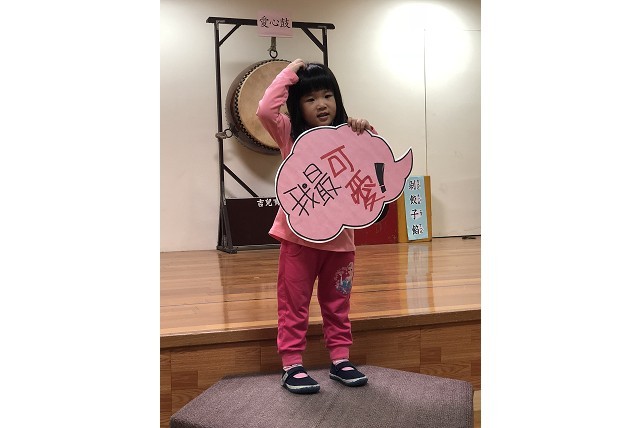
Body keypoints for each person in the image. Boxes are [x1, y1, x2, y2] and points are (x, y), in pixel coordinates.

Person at [257, 58, 372, 394]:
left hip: (341, 242)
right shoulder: (289, 134)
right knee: (293, 304)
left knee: (338, 304)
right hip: (298, 240)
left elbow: (374, 166)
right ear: (297, 104)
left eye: (327, 95)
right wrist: (290, 72)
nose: (321, 104)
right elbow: (265, 110)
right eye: (310, 99)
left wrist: (368, 131)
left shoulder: (349, 134)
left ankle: (340, 360)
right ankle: (292, 365)